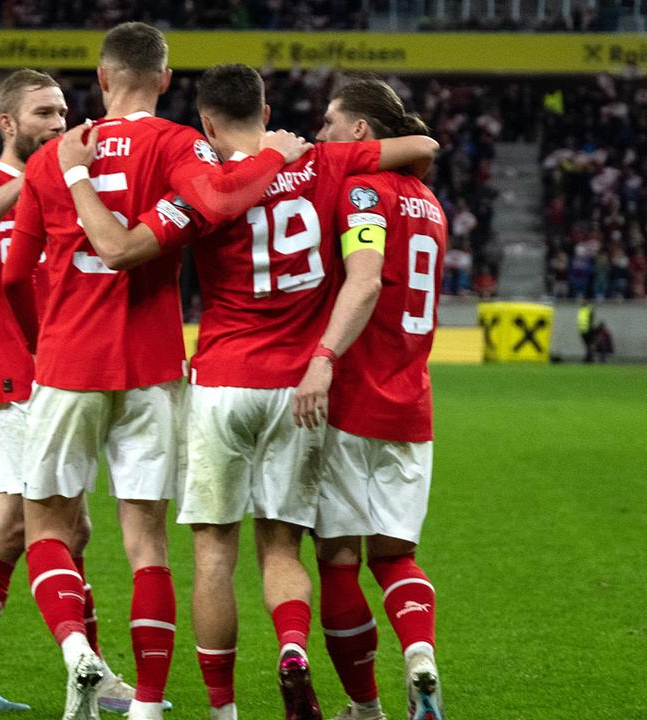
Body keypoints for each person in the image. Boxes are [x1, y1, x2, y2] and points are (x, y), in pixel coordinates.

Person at [54, 64, 437, 720]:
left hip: (224, 381)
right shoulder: (326, 163)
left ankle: (223, 711)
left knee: (213, 551)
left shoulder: (202, 186)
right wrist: (307, 150)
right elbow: (420, 148)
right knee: (284, 546)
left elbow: (118, 248)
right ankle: (292, 647)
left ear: (205, 123)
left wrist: (76, 173)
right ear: (266, 108)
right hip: (299, 388)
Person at [2, 26, 310, 720]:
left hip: (67, 362)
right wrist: (272, 156)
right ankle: (145, 704)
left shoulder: (54, 158)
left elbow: (14, 272)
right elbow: (219, 198)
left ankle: (79, 651)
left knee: (47, 525)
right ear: (166, 80)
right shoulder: (178, 144)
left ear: (103, 79)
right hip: (151, 363)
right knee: (147, 545)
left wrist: (41, 340)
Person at [0, 67, 135, 713]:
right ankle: (94, 672)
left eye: (62, 112)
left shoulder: (64, 193)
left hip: (51, 376)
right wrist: (38, 174)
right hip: (17, 381)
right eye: (43, 113)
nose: (57, 122)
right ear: (8, 123)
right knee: (69, 527)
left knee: (12, 530)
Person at [297, 78, 449, 720]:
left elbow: (362, 283)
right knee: (397, 555)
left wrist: (323, 358)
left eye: (332, 122)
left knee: (337, 560)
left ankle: (364, 709)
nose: (323, 133)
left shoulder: (362, 191)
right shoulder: (430, 202)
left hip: (354, 398)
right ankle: (420, 654)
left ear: (361, 131)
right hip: (412, 405)